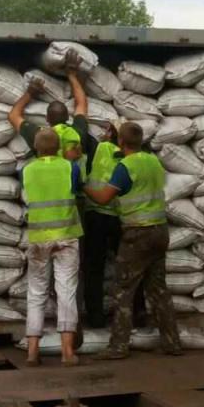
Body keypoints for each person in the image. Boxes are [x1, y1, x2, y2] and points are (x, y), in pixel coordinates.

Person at [84, 121, 182, 359]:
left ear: (121, 142)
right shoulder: (154, 162)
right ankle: (172, 342)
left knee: (123, 290)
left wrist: (82, 185)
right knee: (158, 290)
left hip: (138, 234)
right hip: (160, 232)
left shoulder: (125, 167)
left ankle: (118, 346)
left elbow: (104, 198)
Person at [22, 129, 84, 367]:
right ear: (58, 147)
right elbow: (76, 188)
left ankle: (32, 352)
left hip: (38, 239)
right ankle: (67, 352)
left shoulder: (26, 170)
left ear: (37, 148)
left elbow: (26, 195)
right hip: (67, 237)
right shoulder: (70, 167)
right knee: (66, 292)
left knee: (36, 294)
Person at [82, 123, 124, 328]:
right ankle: (134, 313)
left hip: (95, 215)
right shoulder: (125, 154)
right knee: (126, 268)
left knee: (93, 270)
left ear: (107, 135)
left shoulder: (95, 148)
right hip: (118, 217)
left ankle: (95, 317)